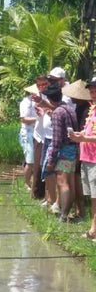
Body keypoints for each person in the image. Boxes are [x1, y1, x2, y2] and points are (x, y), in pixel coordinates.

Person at [42, 82, 78, 222]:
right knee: (68, 182)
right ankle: (66, 212)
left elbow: (56, 140)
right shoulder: (69, 109)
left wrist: (51, 161)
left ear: (50, 99)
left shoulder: (58, 113)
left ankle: (63, 215)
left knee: (63, 183)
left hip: (63, 151)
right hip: (73, 149)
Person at [69, 77, 96, 237]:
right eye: (91, 91)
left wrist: (84, 139)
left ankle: (94, 229)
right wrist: (80, 135)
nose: (93, 93)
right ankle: (93, 228)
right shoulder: (92, 109)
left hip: (95, 159)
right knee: (93, 196)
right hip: (87, 157)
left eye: (95, 91)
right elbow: (90, 132)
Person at [29, 76, 50, 200]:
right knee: (37, 166)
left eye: (44, 84)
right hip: (39, 134)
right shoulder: (36, 97)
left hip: (49, 135)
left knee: (47, 167)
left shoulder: (52, 96)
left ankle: (48, 196)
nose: (41, 87)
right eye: (39, 85)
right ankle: (36, 194)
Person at [18, 89, 37, 192]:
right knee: (30, 161)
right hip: (28, 134)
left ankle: (33, 183)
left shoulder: (42, 101)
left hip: (37, 134)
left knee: (35, 161)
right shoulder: (25, 102)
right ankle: (27, 184)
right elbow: (24, 119)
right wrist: (38, 119)